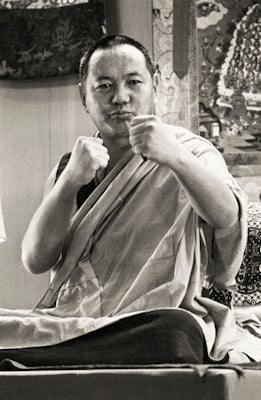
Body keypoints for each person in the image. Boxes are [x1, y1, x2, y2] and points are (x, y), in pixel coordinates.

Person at [2, 34, 261, 368]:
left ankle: (54, 357)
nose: (120, 98)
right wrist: (68, 182)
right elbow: (36, 260)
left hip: (148, 321)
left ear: (154, 89)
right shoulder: (74, 166)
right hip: (76, 323)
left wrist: (174, 159)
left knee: (175, 330)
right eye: (104, 86)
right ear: (85, 96)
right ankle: (71, 352)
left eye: (133, 83)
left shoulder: (191, 151)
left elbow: (227, 218)